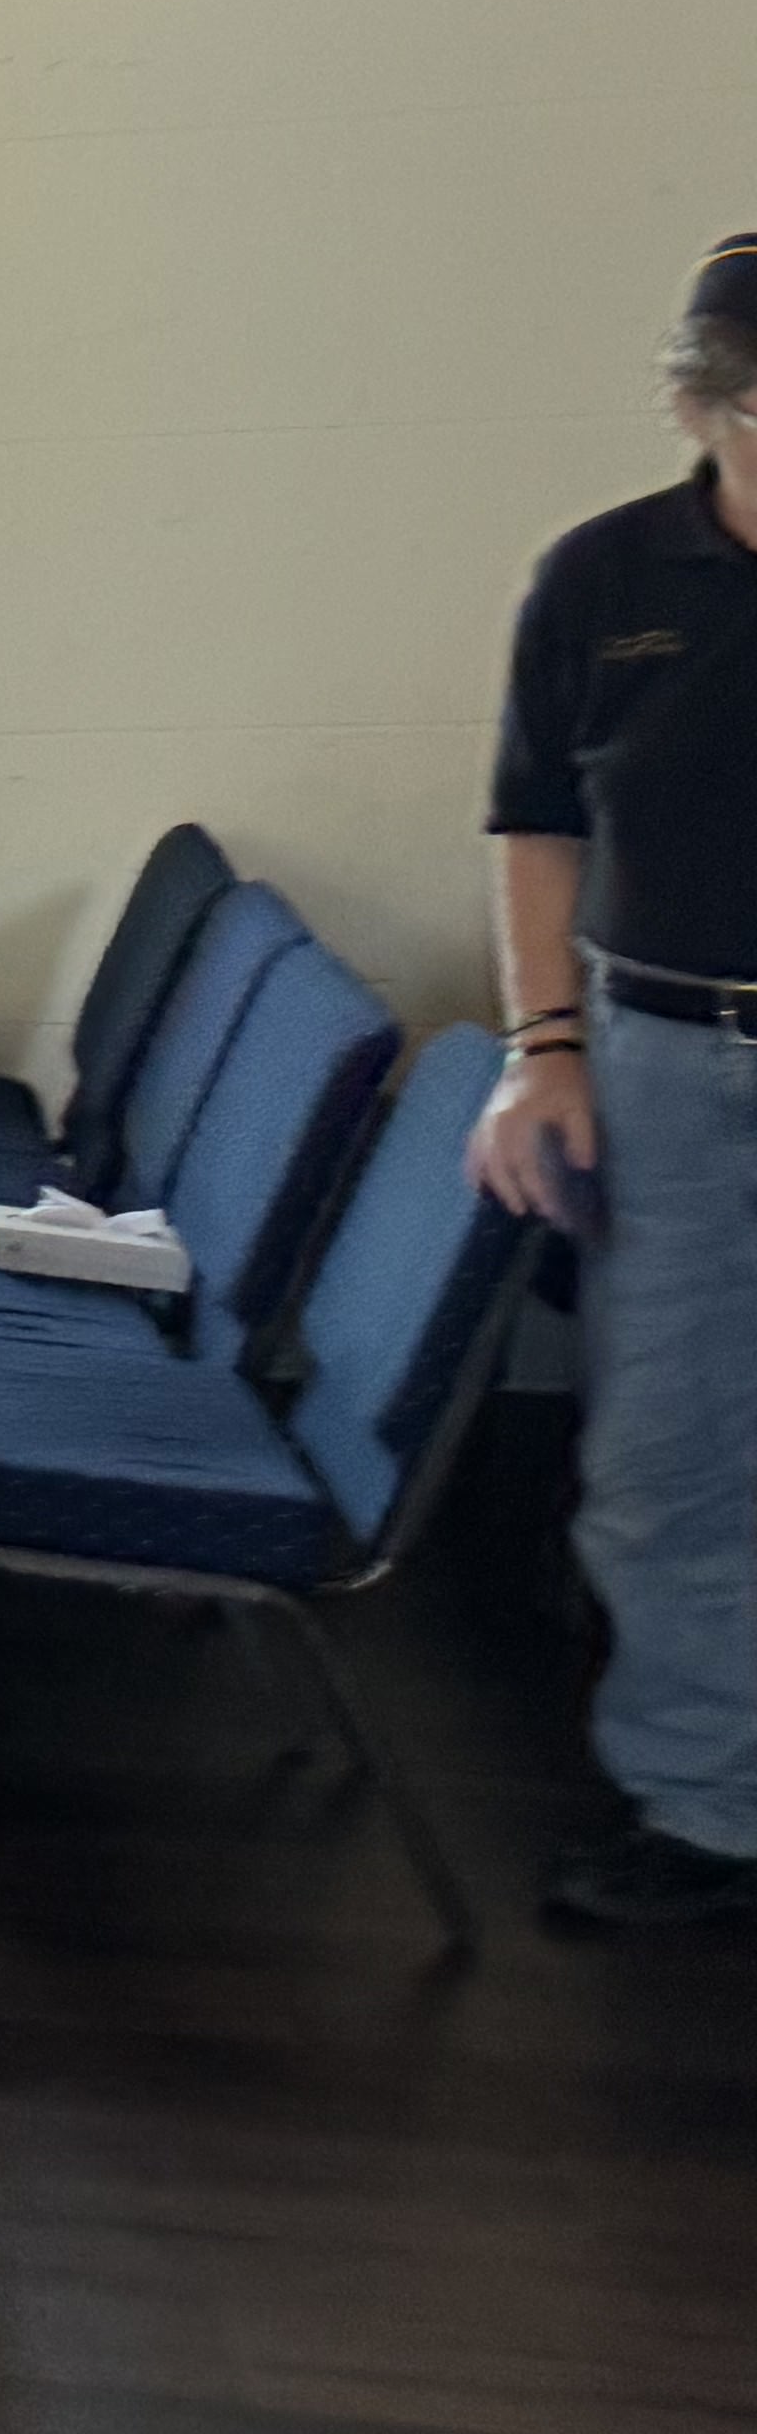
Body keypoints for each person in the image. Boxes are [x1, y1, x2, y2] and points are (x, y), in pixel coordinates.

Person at [470, 227, 757, 1935]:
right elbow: (533, 821)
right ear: (709, 407)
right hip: (657, 1056)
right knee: (663, 1451)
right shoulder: (602, 578)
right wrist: (541, 1046)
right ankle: (706, 1803)